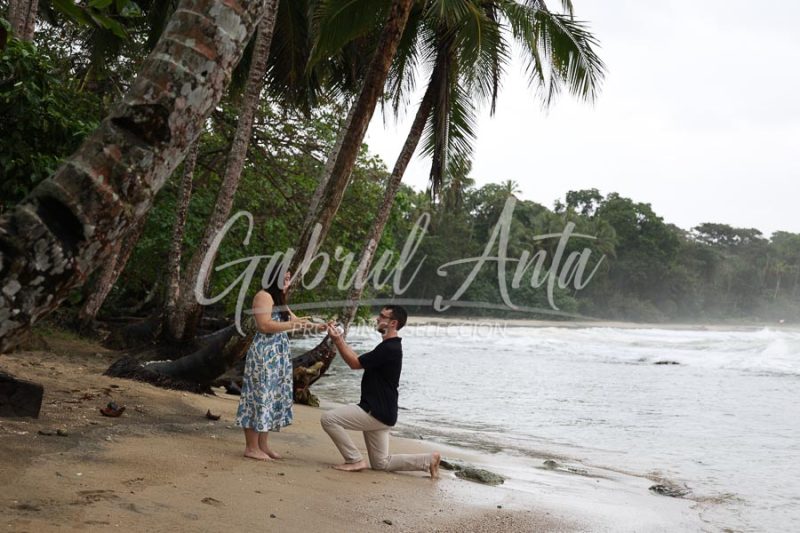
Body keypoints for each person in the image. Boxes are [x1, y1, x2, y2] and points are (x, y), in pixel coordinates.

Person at [321, 305, 441, 478]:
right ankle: (428, 460)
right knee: (380, 463)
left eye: (382, 316)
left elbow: (354, 363)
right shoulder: (389, 346)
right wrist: (340, 339)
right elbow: (359, 360)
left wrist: (338, 340)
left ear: (393, 323)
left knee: (329, 419)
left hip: (375, 411)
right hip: (384, 413)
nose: (378, 318)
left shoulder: (389, 348)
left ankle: (354, 459)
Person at [235, 268, 326, 461]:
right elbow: (264, 325)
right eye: (284, 278)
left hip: (278, 355)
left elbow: (296, 321)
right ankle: (251, 447)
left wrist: (319, 327)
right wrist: (292, 325)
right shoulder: (264, 296)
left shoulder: (279, 299)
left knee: (270, 398)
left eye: (288, 278)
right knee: (259, 397)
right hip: (264, 354)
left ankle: (263, 445)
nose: (287, 281)